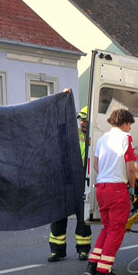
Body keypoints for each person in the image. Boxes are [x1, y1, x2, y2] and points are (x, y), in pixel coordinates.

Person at [84, 109, 138, 275]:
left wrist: (108, 175)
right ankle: (104, 271)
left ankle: (93, 263)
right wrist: (133, 186)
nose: (130, 129)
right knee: (116, 230)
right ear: (124, 124)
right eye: (129, 126)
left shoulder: (102, 139)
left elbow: (96, 166)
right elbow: (131, 167)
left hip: (102, 187)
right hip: (117, 190)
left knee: (107, 228)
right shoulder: (125, 138)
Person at [47, 105, 92, 262]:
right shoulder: (72, 134)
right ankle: (57, 251)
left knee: (82, 219)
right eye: (81, 120)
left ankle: (83, 250)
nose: (83, 123)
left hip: (83, 182)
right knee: (58, 216)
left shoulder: (95, 136)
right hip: (65, 181)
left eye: (86, 121)